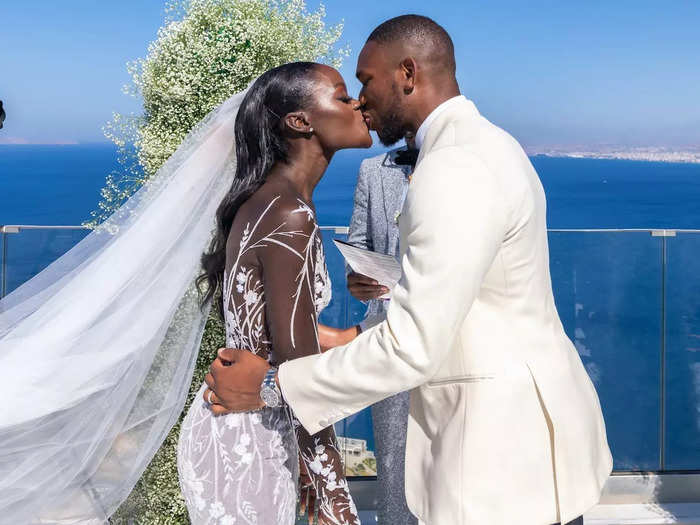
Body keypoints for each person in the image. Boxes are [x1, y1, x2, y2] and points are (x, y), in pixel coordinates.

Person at [203, 15, 613, 525]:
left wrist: (270, 385)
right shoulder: (490, 144)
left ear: (408, 74)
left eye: (367, 80)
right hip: (520, 448)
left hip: (500, 459)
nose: (360, 99)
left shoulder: (455, 166)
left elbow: (413, 344)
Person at [176, 62, 371, 525]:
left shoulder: (268, 199)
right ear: (300, 122)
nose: (358, 102)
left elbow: (270, 332)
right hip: (251, 445)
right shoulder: (289, 213)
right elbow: (297, 368)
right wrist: (333, 495)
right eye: (342, 97)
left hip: (237, 431)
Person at [345, 131, 418, 525]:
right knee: (393, 457)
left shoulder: (459, 168)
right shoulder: (373, 170)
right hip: (387, 332)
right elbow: (360, 244)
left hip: (451, 337)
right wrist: (356, 278)